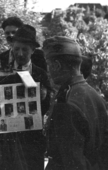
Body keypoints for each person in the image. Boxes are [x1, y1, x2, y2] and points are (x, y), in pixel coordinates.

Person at [43, 36, 108, 170]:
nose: (48, 71)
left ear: (57, 65)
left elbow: (72, 163)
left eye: (49, 65)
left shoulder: (66, 104)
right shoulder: (94, 95)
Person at [0, 24, 52, 170]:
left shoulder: (41, 74)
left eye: (25, 50)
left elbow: (47, 105)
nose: (20, 54)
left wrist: (44, 96)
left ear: (33, 50)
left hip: (32, 138)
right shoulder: (2, 73)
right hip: (7, 139)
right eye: (16, 49)